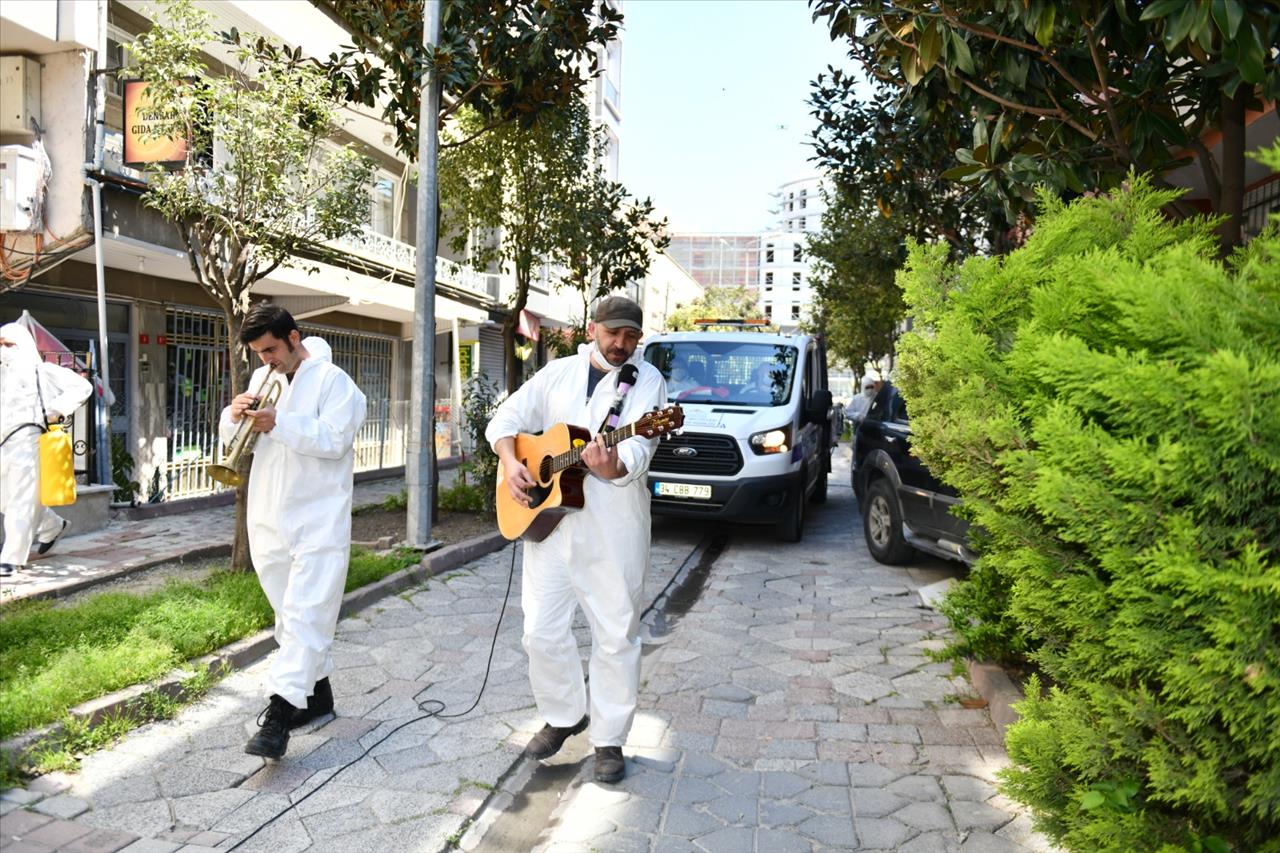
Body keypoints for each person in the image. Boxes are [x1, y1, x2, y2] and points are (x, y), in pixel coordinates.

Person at [486, 295, 665, 784]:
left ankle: (609, 740)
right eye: (613, 334)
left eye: (631, 336)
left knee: (615, 634)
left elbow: (640, 447)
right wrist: (512, 463)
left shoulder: (646, 382)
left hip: (614, 528)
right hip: (551, 525)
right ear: (592, 329)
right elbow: (503, 422)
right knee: (540, 630)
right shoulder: (556, 372)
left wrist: (615, 464)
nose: (621, 344)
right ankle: (565, 716)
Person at [219, 303, 367, 759]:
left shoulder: (336, 383)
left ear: (294, 337)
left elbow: (334, 441)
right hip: (268, 516)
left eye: (270, 350)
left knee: (306, 616)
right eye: (258, 353)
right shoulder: (264, 382)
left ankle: (278, 717)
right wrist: (234, 414)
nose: (266, 360)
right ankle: (318, 697)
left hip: (318, 519)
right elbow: (233, 441)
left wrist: (279, 422)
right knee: (290, 617)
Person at [0, 322, 93, 577]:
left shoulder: (42, 371)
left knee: (20, 500)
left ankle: (11, 559)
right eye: (0, 345)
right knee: (6, 501)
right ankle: (53, 525)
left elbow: (82, 387)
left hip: (28, 441)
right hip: (3, 444)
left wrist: (54, 410)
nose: (4, 350)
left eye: (9, 344)